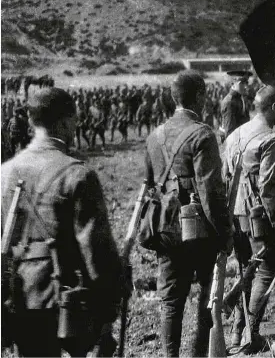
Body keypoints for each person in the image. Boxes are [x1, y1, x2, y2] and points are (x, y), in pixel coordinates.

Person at [1, 88, 126, 357]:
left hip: (16, 297)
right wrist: (110, 303)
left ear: (33, 122)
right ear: (64, 121)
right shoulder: (77, 175)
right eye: (73, 119)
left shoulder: (4, 174)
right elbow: (96, 251)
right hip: (62, 300)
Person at [144, 71, 233, 357]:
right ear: (200, 97)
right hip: (197, 227)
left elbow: (149, 186)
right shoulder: (202, 133)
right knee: (206, 294)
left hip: (164, 228)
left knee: (171, 300)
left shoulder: (154, 136)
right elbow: (210, 191)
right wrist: (224, 232)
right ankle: (198, 355)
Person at [222, 85, 275, 354]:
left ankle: (238, 333)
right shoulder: (271, 139)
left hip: (235, 215)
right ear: (273, 107)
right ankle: (252, 335)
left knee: (244, 272)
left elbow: (227, 176)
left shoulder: (235, 134)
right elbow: (270, 187)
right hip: (258, 216)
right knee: (265, 272)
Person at [219, 70, 252, 141]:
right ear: (233, 84)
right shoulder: (230, 102)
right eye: (242, 83)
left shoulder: (241, 97)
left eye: (246, 83)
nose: (246, 87)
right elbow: (230, 133)